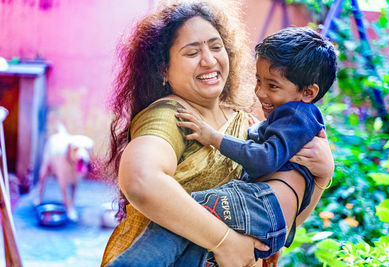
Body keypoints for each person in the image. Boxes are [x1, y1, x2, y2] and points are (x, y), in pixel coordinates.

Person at [102, 1, 334, 267]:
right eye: (192, 53)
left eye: (215, 46)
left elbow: (279, 218)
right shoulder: (174, 117)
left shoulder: (244, 122)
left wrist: (321, 176)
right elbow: (141, 180)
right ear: (162, 69)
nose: (209, 60)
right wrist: (225, 241)